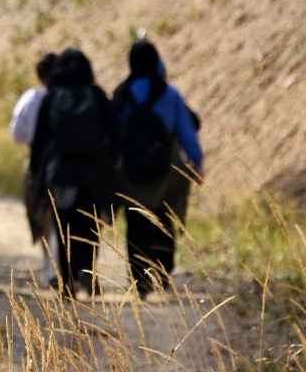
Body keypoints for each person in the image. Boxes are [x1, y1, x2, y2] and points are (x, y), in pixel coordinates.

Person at [110, 39, 204, 298]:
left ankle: (139, 279)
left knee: (136, 219)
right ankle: (163, 271)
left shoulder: (121, 92)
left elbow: (112, 132)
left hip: (130, 170)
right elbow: (187, 132)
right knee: (165, 215)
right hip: (166, 168)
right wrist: (197, 164)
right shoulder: (170, 94)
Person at [28, 48, 118, 297]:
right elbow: (115, 132)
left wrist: (36, 171)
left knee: (63, 224)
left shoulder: (52, 96)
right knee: (89, 224)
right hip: (92, 172)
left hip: (60, 172)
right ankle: (88, 275)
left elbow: (40, 139)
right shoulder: (97, 95)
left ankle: (67, 281)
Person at [12, 53, 60, 255]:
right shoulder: (80, 95)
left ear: (40, 77)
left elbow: (18, 134)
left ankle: (50, 265)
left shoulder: (33, 98)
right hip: (75, 163)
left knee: (40, 211)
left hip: (39, 161)